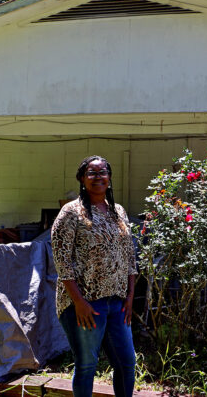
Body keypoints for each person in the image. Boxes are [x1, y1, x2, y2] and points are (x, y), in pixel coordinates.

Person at [51, 155, 137, 397]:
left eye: (102, 172)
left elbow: (129, 255)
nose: (98, 177)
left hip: (117, 303)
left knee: (126, 364)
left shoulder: (118, 211)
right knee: (87, 365)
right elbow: (61, 260)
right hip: (85, 304)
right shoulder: (71, 212)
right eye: (92, 172)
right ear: (82, 178)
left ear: (109, 178)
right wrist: (79, 302)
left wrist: (130, 297)